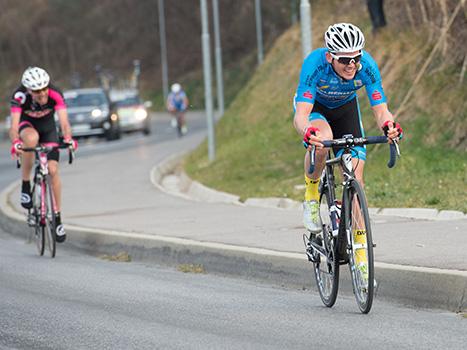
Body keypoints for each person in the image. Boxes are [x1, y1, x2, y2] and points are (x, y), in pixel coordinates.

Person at [293, 23, 403, 233]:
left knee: (355, 175)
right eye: (344, 60)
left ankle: (361, 252)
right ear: (330, 57)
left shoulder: (367, 66)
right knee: (323, 140)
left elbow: (381, 110)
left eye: (356, 58)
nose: (351, 65)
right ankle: (311, 197)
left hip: (345, 109)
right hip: (315, 108)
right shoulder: (314, 64)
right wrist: (307, 132)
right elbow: (301, 116)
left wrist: (389, 126)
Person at [9, 67, 77, 243]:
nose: (42, 93)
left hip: (48, 130)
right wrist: (16, 142)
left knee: (53, 170)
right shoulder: (19, 96)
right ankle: (25, 185)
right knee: (31, 139)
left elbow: (64, 122)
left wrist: (68, 138)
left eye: (44, 88)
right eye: (37, 91)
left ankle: (58, 218)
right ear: (29, 90)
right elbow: (14, 127)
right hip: (27, 126)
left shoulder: (55, 94)